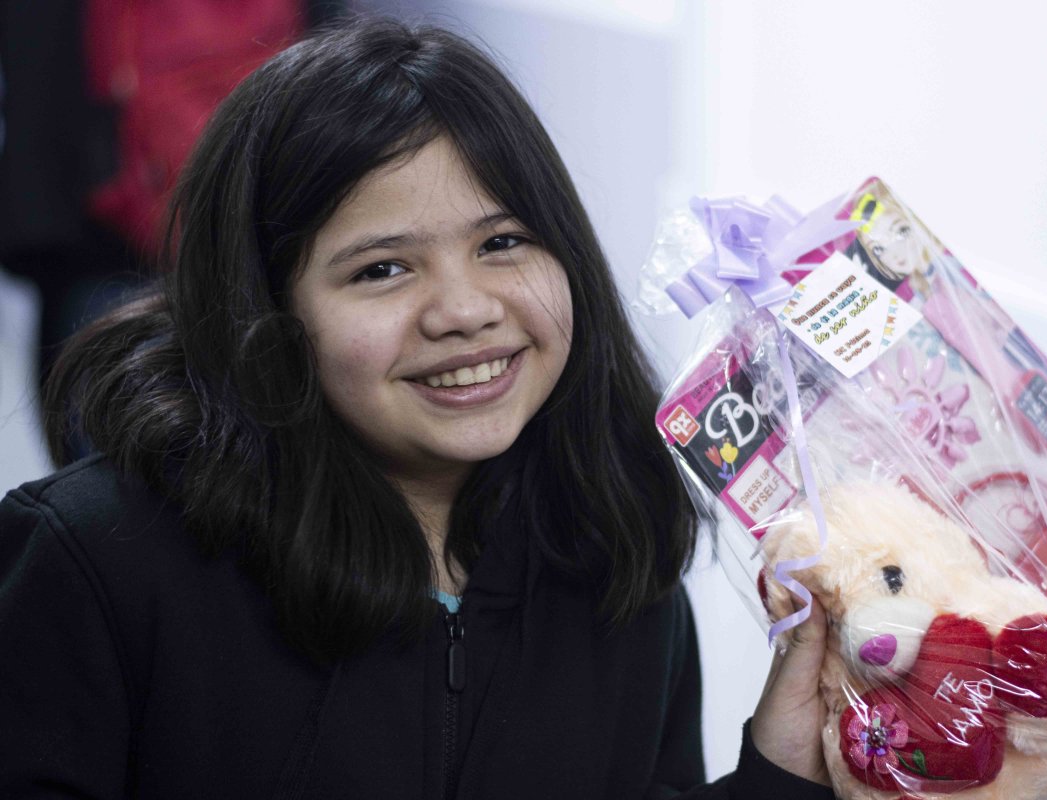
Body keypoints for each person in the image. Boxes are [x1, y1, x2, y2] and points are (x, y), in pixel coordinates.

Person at [0, 19, 833, 799]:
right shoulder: (95, 562)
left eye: (502, 243)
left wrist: (782, 772)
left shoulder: (612, 559)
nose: (464, 310)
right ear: (265, 308)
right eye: (382, 270)